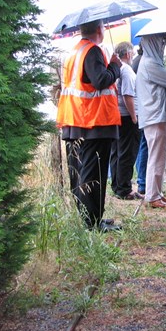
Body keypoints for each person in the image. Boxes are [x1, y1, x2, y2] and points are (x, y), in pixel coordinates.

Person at [56, 19, 123, 232]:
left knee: (80, 173)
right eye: (103, 27)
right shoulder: (92, 51)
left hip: (74, 119)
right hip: (94, 121)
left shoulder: (74, 52)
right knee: (94, 174)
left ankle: (88, 219)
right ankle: (92, 223)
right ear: (98, 30)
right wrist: (115, 66)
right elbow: (101, 80)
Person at [136, 29, 166, 209]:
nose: (163, 45)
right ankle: (152, 196)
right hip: (155, 117)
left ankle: (156, 193)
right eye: (160, 42)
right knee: (156, 157)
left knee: (158, 156)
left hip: (155, 116)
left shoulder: (148, 62)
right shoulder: (150, 63)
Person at [109, 41, 141, 200]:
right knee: (127, 153)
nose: (134, 55)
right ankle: (124, 188)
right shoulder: (127, 70)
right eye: (132, 53)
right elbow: (128, 95)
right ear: (127, 54)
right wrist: (134, 117)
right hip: (127, 116)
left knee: (117, 152)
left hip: (117, 115)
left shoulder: (116, 68)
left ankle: (117, 185)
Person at [132, 45, 147, 197]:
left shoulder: (135, 61)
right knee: (144, 145)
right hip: (141, 109)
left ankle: (141, 181)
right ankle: (142, 182)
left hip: (139, 109)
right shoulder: (143, 61)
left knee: (141, 146)